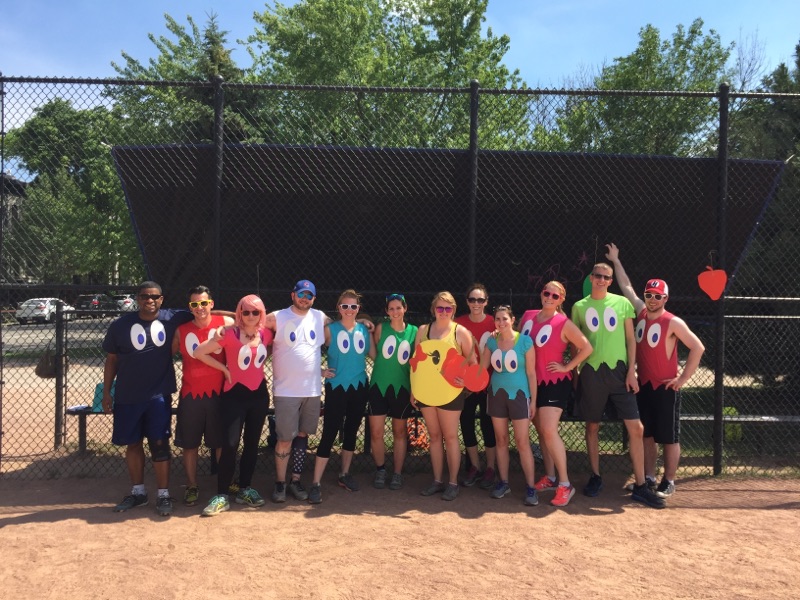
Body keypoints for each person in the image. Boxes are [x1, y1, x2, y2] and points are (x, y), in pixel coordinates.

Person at [606, 243, 706, 498]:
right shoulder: (639, 313)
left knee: (669, 437)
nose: (652, 299)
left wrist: (683, 378)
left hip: (666, 387)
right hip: (644, 386)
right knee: (647, 435)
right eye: (649, 295)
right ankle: (648, 477)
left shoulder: (673, 321)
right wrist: (616, 261)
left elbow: (698, 348)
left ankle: (669, 480)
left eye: (657, 296)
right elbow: (626, 287)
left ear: (665, 299)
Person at [571, 262, 666, 509]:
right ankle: (595, 476)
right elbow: (576, 343)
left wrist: (631, 372)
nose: (601, 279)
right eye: (597, 276)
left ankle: (641, 485)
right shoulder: (579, 307)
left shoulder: (622, 304)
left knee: (636, 427)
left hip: (619, 373)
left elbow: (630, 340)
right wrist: (575, 373)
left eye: (606, 277)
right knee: (592, 426)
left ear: (611, 281)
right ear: (591, 278)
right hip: (591, 373)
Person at [102, 281, 194, 517]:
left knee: (159, 443)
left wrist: (239, 317)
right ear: (137, 298)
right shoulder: (120, 326)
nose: (149, 300)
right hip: (127, 396)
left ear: (161, 299)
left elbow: (207, 313)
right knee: (133, 444)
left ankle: (163, 494)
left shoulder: (172, 317)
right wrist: (106, 393)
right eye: (144, 296)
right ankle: (139, 492)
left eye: (154, 297)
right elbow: (112, 360)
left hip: (158, 396)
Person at [193, 295, 274, 516]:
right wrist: (224, 369)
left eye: (255, 312)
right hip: (233, 396)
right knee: (229, 444)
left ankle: (245, 488)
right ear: (239, 313)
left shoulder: (266, 334)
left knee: (251, 444)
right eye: (245, 312)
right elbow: (198, 351)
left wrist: (362, 319)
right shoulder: (228, 333)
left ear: (261, 313)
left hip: (259, 395)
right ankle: (222, 495)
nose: (250, 316)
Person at [519, 281, 593, 507]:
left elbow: (587, 347)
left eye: (555, 295)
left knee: (549, 430)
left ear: (561, 299)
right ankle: (550, 477)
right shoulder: (528, 317)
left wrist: (567, 367)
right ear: (541, 294)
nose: (549, 297)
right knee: (541, 430)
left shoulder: (564, 323)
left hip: (555, 382)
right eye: (546, 292)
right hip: (532, 382)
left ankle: (565, 483)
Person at [308, 290, 374, 504]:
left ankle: (344, 474)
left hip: (359, 386)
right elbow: (307, 349)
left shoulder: (364, 330)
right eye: (345, 306)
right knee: (329, 431)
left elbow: (375, 355)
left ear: (358, 309)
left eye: (353, 307)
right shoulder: (329, 330)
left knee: (352, 430)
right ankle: (316, 483)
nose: (349, 310)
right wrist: (319, 370)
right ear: (338, 308)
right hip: (336, 387)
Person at [410, 291, 476, 501]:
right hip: (427, 391)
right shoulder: (423, 331)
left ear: (453, 310)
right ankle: (438, 481)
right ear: (434, 309)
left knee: (450, 437)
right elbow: (416, 363)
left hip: (450, 393)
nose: (444, 312)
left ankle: (453, 482)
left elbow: (473, 363)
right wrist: (414, 390)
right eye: (440, 308)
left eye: (448, 309)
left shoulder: (460, 332)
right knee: (435, 437)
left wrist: (465, 381)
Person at [172, 285, 234, 507]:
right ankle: (191, 485)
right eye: (195, 304)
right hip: (191, 394)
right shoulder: (181, 330)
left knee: (220, 442)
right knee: (190, 444)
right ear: (190, 307)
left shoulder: (225, 325)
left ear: (211, 304)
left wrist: (219, 314)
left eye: (204, 303)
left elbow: (245, 318)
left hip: (219, 393)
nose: (200, 308)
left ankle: (224, 485)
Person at [481, 305, 539, 505]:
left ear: (513, 320)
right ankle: (503, 482)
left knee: (522, 442)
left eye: (505, 318)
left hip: (520, 395)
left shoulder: (524, 341)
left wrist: (533, 400)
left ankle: (531, 488)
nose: (501, 322)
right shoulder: (491, 342)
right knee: (501, 440)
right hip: (496, 394)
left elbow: (531, 373)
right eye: (498, 319)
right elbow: (482, 367)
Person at [366, 293, 418, 490]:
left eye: (399, 307)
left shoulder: (414, 332)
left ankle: (397, 473)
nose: (395, 312)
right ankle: (380, 469)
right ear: (387, 311)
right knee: (376, 432)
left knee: (399, 431)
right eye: (391, 308)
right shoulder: (381, 328)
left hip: (402, 388)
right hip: (379, 386)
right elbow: (376, 354)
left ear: (405, 308)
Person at [454, 283, 498, 490]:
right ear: (467, 302)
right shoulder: (458, 324)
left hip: (489, 384)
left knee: (488, 426)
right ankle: (474, 466)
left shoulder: (494, 323)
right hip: (465, 386)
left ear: (486, 302)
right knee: (466, 423)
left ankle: (490, 468)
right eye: (472, 300)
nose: (476, 304)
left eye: (480, 300)